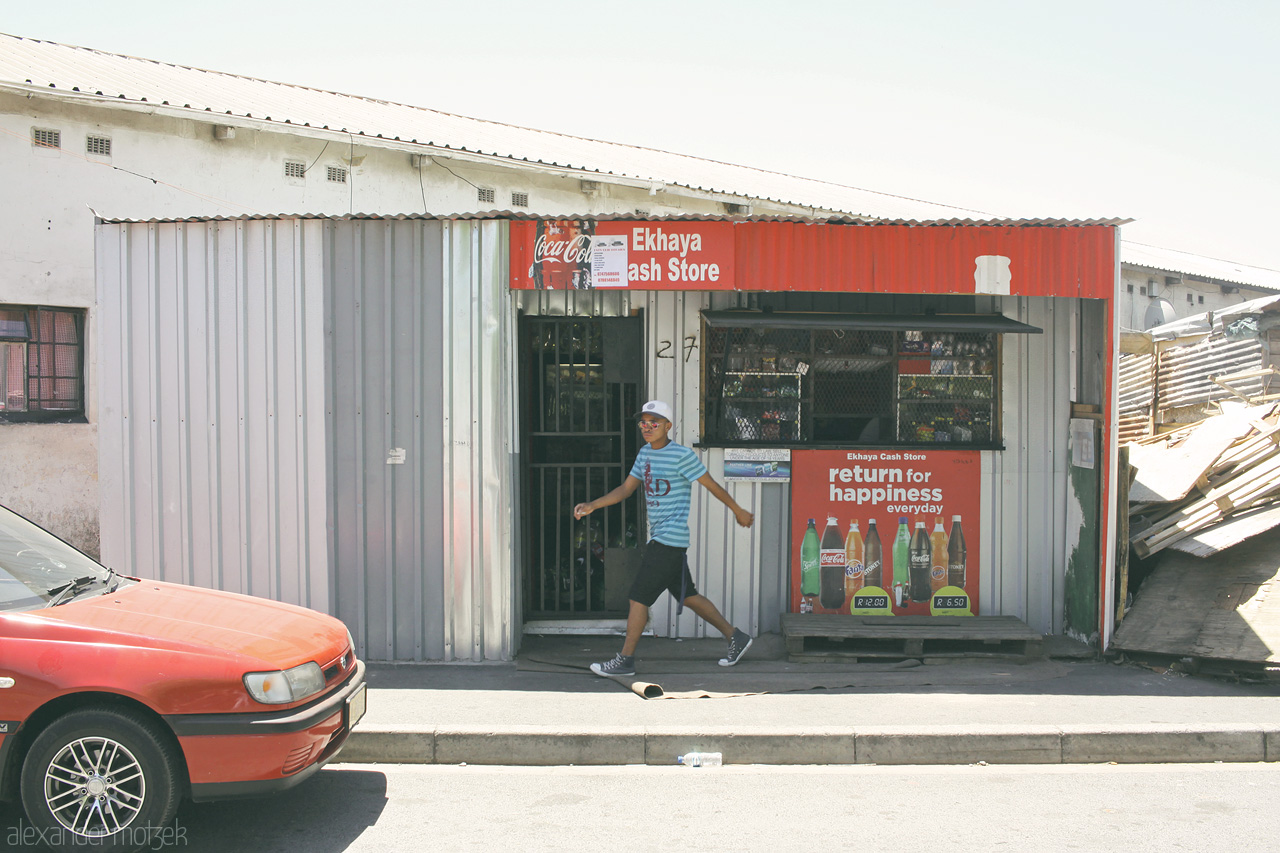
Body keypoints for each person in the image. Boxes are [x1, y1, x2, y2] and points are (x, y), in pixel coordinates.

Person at [573, 399, 755, 677]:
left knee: (638, 599)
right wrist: (592, 505)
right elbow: (625, 489)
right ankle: (736, 637)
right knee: (690, 596)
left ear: (668, 426)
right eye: (643, 423)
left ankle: (625, 660)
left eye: (653, 423)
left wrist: (737, 510)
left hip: (670, 539)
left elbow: (712, 485)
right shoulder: (645, 454)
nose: (646, 427)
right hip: (662, 539)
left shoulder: (682, 456)